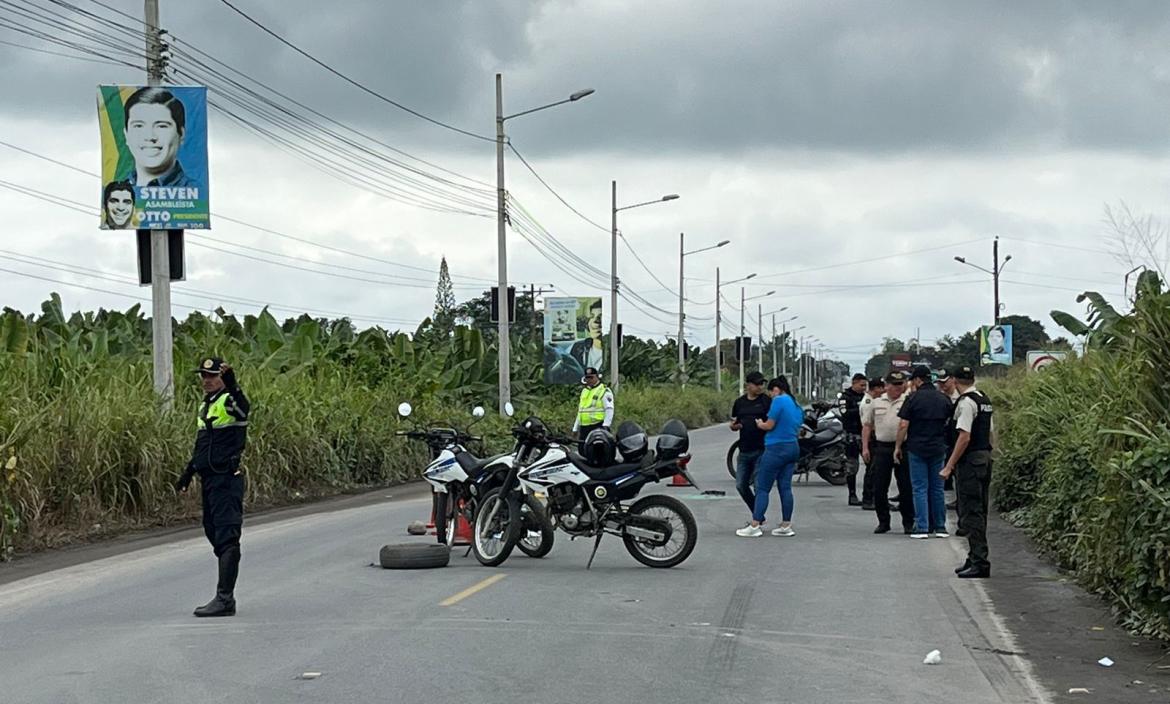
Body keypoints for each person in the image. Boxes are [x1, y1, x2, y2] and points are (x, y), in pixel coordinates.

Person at [174, 358, 250, 617]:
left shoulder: (229, 400)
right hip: (209, 480)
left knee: (228, 536)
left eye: (212, 375)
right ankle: (225, 592)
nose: (206, 380)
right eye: (204, 375)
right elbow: (202, 445)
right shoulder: (207, 404)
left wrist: (234, 386)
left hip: (227, 479)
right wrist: (188, 472)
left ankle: (225, 598)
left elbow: (244, 410)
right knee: (212, 532)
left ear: (222, 377)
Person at [941, 366, 994, 578]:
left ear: (954, 380)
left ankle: (980, 561)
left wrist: (949, 465)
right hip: (984, 459)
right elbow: (990, 432)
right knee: (979, 509)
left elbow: (964, 437)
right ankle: (974, 557)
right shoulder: (984, 399)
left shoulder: (966, 402)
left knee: (972, 512)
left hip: (970, 461)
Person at [737, 376, 803, 538]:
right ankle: (786, 525)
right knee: (785, 487)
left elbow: (769, 425)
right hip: (792, 447)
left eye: (771, 391)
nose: (771, 395)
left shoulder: (779, 401)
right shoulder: (795, 404)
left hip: (776, 448)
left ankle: (755, 524)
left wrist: (760, 424)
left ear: (777, 389)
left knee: (763, 488)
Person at [895, 365, 953, 539]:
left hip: (917, 448)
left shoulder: (912, 398)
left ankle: (922, 528)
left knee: (920, 488)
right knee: (937, 489)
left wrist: (898, 447)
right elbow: (951, 422)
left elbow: (903, 425)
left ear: (918, 380)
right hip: (938, 447)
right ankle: (940, 527)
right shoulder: (944, 399)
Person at [862, 371, 915, 533]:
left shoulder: (908, 401)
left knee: (906, 487)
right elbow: (867, 425)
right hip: (882, 447)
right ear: (886, 386)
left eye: (900, 384)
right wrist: (865, 447)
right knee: (880, 487)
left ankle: (908, 522)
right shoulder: (876, 403)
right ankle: (883, 521)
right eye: (894, 384)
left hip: (903, 448)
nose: (897, 388)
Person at [121, 87, 197, 189]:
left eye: (162, 126)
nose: (150, 137)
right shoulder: (115, 193)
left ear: (181, 134)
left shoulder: (195, 191)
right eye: (138, 126)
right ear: (126, 135)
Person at [730, 371, 772, 514]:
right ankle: (757, 511)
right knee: (741, 485)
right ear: (748, 385)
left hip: (762, 449)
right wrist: (734, 426)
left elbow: (773, 421)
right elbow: (734, 423)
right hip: (744, 450)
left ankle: (757, 517)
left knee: (759, 486)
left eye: (762, 384)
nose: (760, 387)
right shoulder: (739, 403)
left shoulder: (766, 401)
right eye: (757, 384)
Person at [838, 373, 867, 507]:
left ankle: (869, 495)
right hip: (851, 435)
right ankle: (852, 494)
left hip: (864, 434)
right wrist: (861, 408)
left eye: (865, 385)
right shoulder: (845, 397)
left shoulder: (866, 397)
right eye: (861, 385)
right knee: (852, 466)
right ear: (854, 383)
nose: (863, 388)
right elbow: (845, 413)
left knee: (871, 465)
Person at [858, 377, 885, 509]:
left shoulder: (873, 400)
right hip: (871, 439)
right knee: (872, 471)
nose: (884, 390)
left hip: (873, 438)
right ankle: (868, 499)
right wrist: (865, 447)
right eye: (882, 388)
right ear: (876, 389)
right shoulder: (869, 402)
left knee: (874, 470)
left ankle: (873, 498)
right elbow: (867, 425)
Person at [572, 366, 614, 443]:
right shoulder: (585, 391)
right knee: (582, 451)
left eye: (591, 377)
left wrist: (606, 426)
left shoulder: (604, 390)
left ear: (597, 377)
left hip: (597, 426)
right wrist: (575, 428)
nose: (589, 380)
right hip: (584, 427)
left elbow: (609, 410)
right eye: (587, 378)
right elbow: (581, 411)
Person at [569, 299, 604, 372]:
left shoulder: (617, 353)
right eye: (592, 316)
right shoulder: (578, 347)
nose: (595, 321)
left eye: (600, 317)